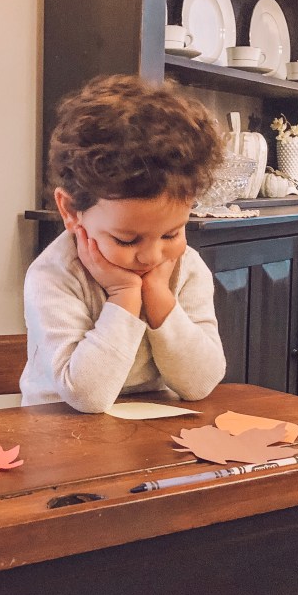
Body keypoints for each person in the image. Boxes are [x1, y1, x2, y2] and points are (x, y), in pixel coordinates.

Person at [20, 74, 228, 412]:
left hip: (152, 427)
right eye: (127, 239)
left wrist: (159, 298)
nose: (152, 256)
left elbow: (200, 383)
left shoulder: (187, 268)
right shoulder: (54, 275)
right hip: (60, 428)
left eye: (171, 234)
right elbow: (86, 396)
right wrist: (124, 295)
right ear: (70, 211)